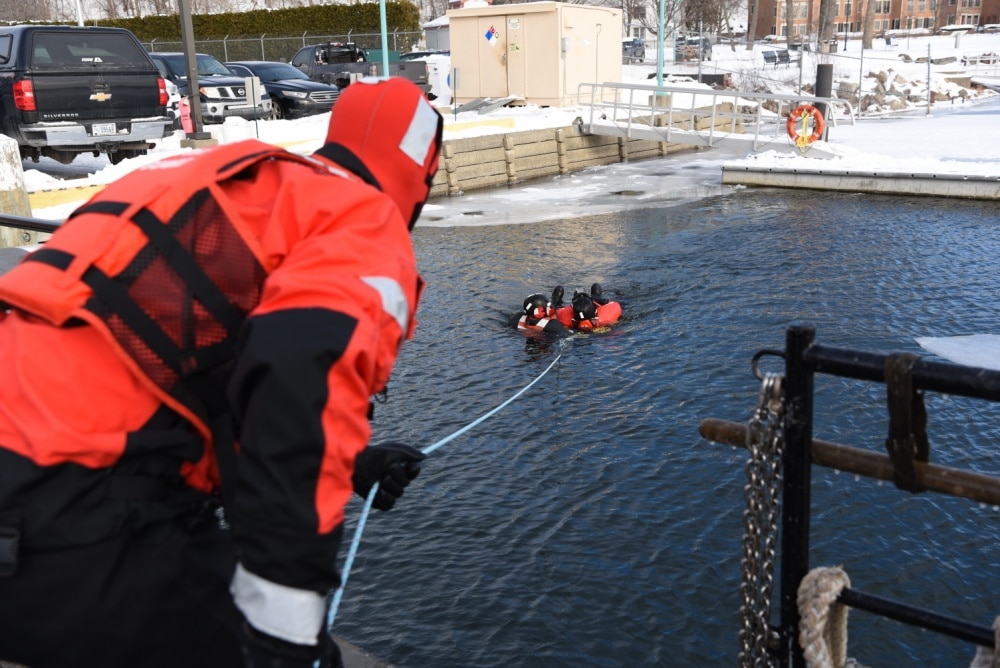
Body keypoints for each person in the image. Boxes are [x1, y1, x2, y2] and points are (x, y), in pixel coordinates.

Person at [0, 77, 443, 668]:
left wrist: (354, 462)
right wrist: (287, 638)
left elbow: (173, 355)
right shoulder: (362, 219)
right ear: (421, 173)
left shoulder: (223, 179)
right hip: (78, 499)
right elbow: (298, 383)